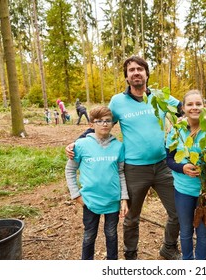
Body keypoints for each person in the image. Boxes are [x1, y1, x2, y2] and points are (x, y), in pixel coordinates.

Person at [66, 56, 182, 260]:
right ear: (127, 77)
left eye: (140, 69)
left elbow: (185, 108)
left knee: (177, 212)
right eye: (131, 70)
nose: (136, 72)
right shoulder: (118, 102)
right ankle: (130, 255)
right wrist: (77, 141)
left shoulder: (159, 97)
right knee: (131, 217)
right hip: (135, 169)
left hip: (163, 166)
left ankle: (169, 247)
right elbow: (103, 121)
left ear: (147, 73)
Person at [165, 90, 206, 260]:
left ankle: (200, 263)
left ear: (204, 106)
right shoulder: (176, 131)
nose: (194, 107)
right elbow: (169, 159)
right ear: (183, 108)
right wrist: (182, 167)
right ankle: (187, 261)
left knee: (203, 230)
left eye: (198, 104)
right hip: (183, 190)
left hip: (204, 192)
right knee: (185, 230)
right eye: (190, 104)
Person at [65, 106, 129, 260]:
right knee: (89, 235)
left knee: (111, 234)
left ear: (113, 124)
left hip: (112, 200)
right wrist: (76, 195)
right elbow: (70, 170)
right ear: (91, 124)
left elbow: (121, 173)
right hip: (90, 201)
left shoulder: (119, 146)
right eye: (99, 121)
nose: (104, 124)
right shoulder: (80, 145)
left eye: (108, 121)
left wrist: (124, 198)